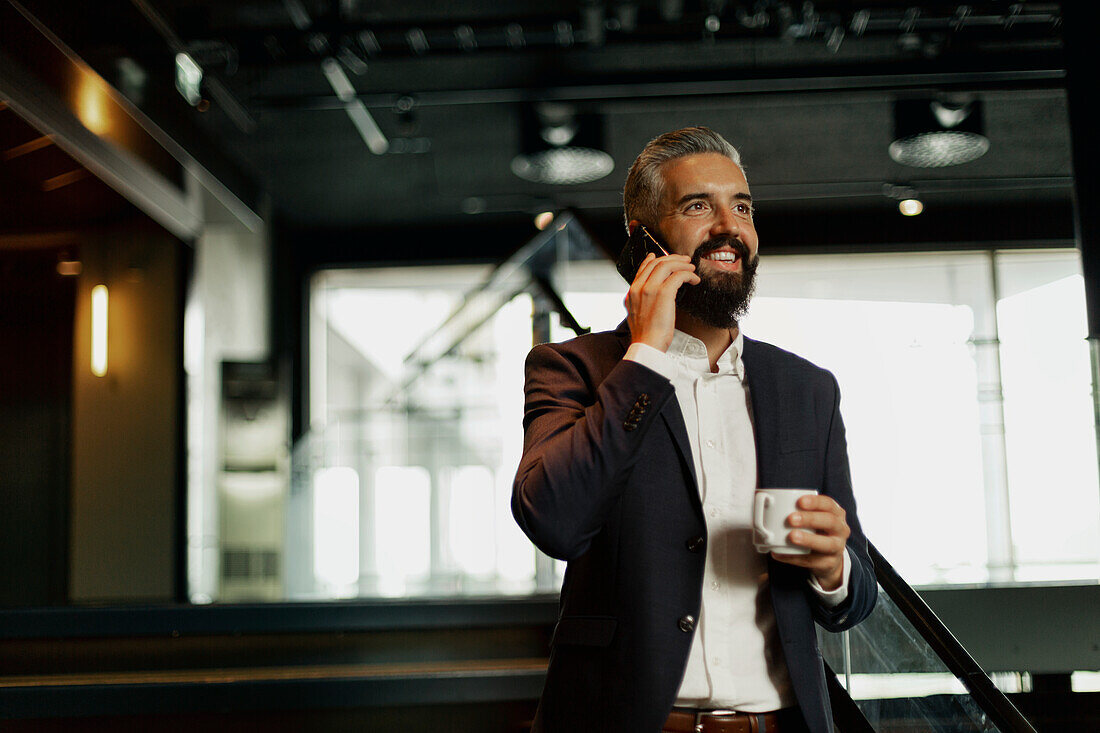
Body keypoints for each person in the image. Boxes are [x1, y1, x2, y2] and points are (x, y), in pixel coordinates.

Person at [511, 127, 877, 733]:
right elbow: (553, 520)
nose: (728, 225)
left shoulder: (808, 389)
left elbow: (855, 600)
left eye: (742, 206)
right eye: (698, 206)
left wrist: (834, 566)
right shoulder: (570, 368)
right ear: (644, 238)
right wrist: (646, 358)